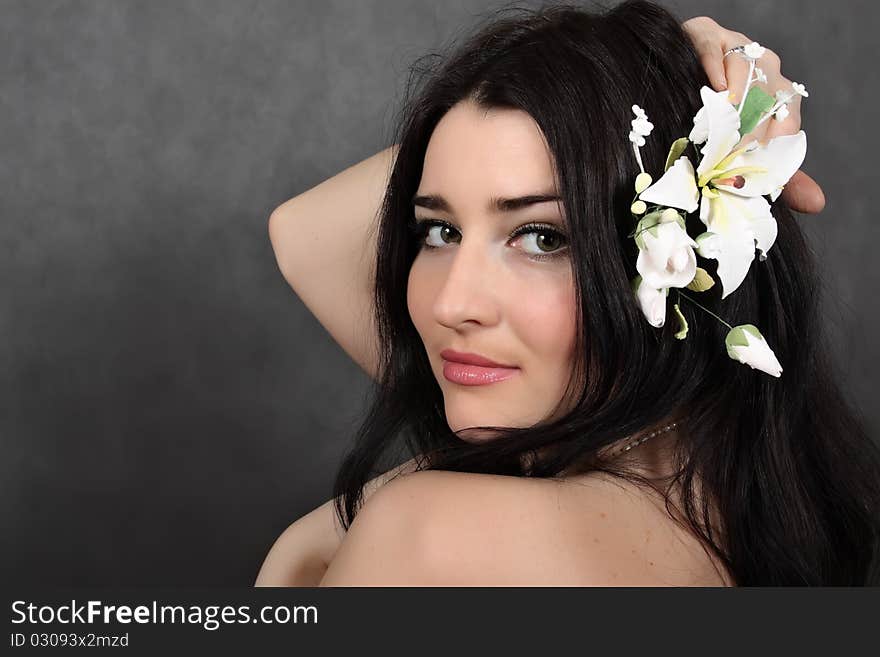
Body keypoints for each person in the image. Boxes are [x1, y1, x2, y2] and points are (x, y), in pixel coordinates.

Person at [255, 1, 878, 586]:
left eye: (543, 238)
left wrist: (650, 96)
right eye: (440, 231)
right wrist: (642, 81)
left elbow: (304, 234)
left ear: (677, 253)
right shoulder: (751, 506)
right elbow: (302, 236)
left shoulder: (433, 535)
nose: (450, 306)